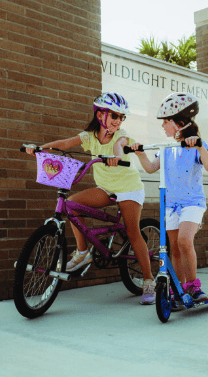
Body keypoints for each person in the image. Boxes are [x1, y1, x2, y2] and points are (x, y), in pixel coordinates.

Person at [26, 92, 156, 305]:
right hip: (105, 187)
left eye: (122, 117)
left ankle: (149, 280)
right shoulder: (89, 136)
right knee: (71, 205)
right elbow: (65, 143)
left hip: (128, 188)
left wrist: (116, 156)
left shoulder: (120, 135)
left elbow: (119, 145)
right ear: (100, 115)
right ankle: (83, 252)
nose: (118, 121)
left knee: (133, 232)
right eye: (114, 115)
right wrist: (40, 149)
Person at [130, 92, 208, 305]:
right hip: (172, 205)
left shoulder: (196, 145)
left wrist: (198, 146)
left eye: (165, 122)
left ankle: (193, 287)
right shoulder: (166, 148)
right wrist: (140, 154)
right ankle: (179, 288)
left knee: (185, 241)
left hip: (192, 203)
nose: (163, 127)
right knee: (174, 249)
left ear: (179, 122)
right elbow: (151, 168)